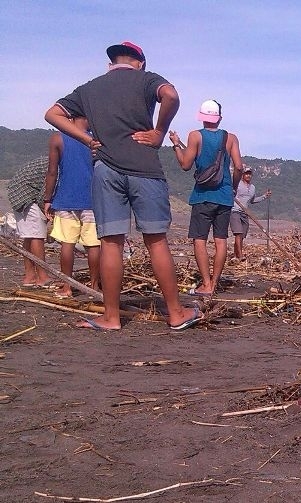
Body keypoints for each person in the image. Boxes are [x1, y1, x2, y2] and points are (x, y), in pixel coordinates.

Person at [45, 41, 202, 331]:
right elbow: (171, 95)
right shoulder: (147, 79)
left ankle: (111, 317)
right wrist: (158, 132)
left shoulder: (90, 88)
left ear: (110, 65)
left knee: (110, 243)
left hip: (106, 169)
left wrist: (86, 139)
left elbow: (51, 114)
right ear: (140, 63)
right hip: (144, 166)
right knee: (156, 240)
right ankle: (176, 313)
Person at [169, 99, 244, 297]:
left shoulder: (195, 136)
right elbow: (238, 167)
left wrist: (176, 145)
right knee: (221, 241)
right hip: (224, 198)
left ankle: (206, 283)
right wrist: (233, 188)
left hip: (202, 196)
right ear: (219, 118)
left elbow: (185, 165)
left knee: (200, 240)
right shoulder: (231, 138)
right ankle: (214, 283)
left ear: (202, 118)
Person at [42, 117, 101, 299]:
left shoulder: (58, 138)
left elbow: (52, 171)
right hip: (93, 199)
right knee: (93, 245)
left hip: (66, 198)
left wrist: (47, 199)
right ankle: (94, 287)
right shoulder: (96, 140)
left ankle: (67, 286)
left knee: (67, 244)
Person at [7, 157, 52, 288]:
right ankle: (42, 276)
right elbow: (44, 195)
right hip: (26, 195)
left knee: (29, 234)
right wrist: (47, 214)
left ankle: (30, 276)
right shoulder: (58, 167)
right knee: (37, 235)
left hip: (18, 191)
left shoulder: (52, 161)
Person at [230, 166, 271, 262]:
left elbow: (252, 201)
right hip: (234, 211)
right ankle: (240, 255)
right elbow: (230, 194)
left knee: (242, 235)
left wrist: (265, 196)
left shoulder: (253, 188)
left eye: (249, 174)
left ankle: (236, 255)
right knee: (238, 233)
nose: (248, 175)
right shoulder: (237, 184)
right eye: (246, 173)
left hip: (245, 213)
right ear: (242, 175)